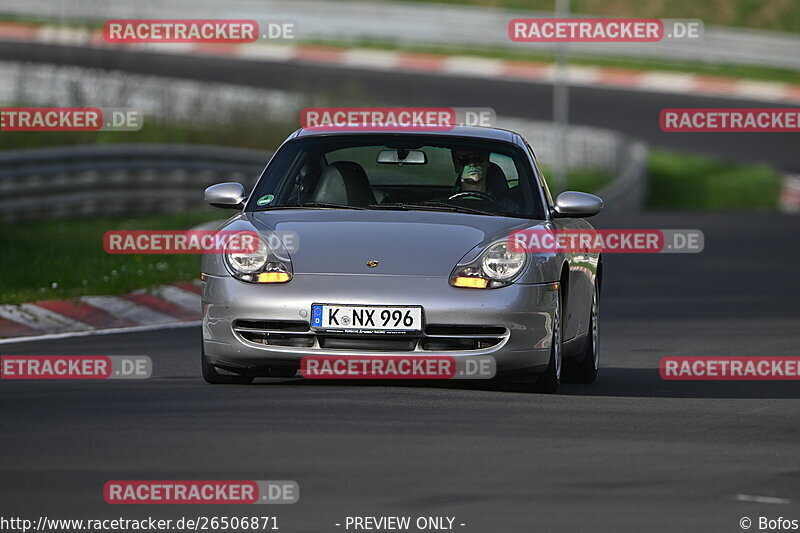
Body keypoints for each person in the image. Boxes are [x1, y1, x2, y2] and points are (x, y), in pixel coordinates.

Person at [450, 149, 520, 214]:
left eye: (478, 158)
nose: (473, 164)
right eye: (465, 159)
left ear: (487, 162)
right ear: (457, 166)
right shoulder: (446, 207)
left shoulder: (507, 208)